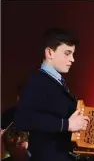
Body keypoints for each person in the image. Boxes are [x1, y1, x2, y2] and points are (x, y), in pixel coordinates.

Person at [13, 28, 89, 161]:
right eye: (67, 53)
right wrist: (67, 125)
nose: (72, 59)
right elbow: (22, 119)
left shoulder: (56, 82)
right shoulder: (37, 80)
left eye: (73, 54)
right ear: (49, 52)